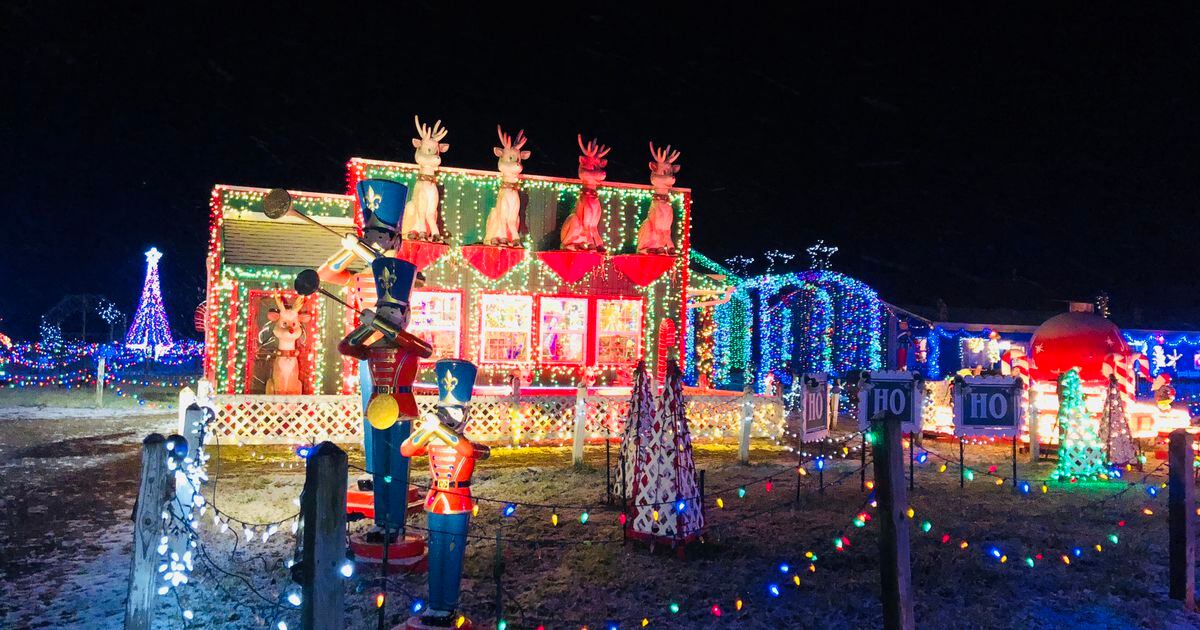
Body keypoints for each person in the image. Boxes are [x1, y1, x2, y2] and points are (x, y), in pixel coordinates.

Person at [402, 359, 490, 627]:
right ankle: (435, 604)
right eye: (443, 412)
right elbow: (406, 449)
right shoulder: (433, 437)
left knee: (452, 554)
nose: (447, 417)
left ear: (465, 415)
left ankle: (448, 607)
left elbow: (464, 449)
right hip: (436, 500)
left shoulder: (464, 442)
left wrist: (437, 428)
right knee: (436, 553)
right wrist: (427, 430)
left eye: (453, 412)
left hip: (458, 502)